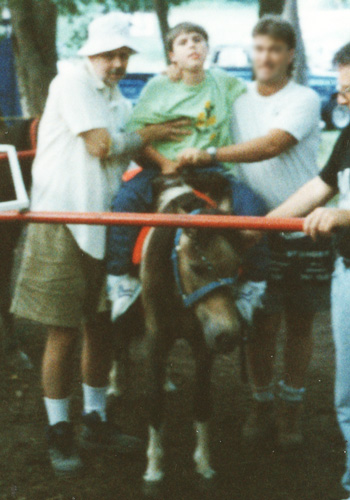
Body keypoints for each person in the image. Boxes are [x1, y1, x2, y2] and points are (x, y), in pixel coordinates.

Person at [10, 12, 189, 477]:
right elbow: (103, 145)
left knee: (101, 328)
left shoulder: (114, 97)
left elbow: (134, 138)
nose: (117, 63)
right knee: (63, 330)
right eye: (109, 54)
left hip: (105, 225)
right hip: (63, 221)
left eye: (123, 55)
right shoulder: (69, 83)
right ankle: (58, 429)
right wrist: (151, 136)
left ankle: (95, 418)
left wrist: (168, 163)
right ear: (90, 54)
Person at [177, 16, 326, 448]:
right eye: (259, 48)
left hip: (303, 225)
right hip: (252, 230)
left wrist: (208, 153)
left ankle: (292, 405)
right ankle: (261, 400)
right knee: (261, 323)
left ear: (290, 55)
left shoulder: (305, 97)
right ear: (251, 51)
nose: (266, 57)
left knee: (300, 324)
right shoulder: (237, 99)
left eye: (275, 49)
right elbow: (196, 88)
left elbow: (272, 144)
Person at [106, 22, 268, 323]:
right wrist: (164, 163)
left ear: (207, 49)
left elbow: (260, 88)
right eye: (183, 42)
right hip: (166, 168)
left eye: (198, 40)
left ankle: (252, 284)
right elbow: (137, 135)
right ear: (172, 55)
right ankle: (120, 277)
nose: (192, 45)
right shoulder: (160, 87)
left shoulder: (223, 82)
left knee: (253, 207)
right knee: (126, 201)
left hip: (210, 168)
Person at [267, 42, 350, 499]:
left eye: (349, 89)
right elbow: (321, 187)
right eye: (340, 90)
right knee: (348, 398)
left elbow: (338, 208)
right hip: (348, 276)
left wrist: (346, 217)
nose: (341, 99)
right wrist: (259, 228)